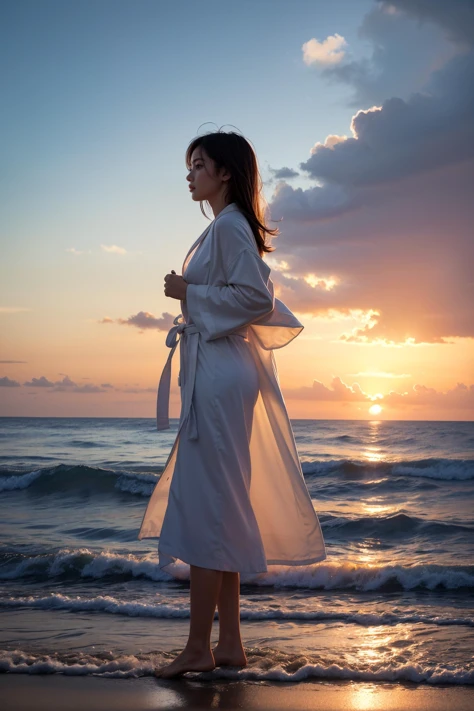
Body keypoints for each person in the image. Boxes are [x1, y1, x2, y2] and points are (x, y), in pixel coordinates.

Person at [138, 130, 326, 678]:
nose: (190, 174)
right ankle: (229, 646)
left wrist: (187, 293)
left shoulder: (230, 227)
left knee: (206, 506)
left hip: (220, 375)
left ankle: (199, 647)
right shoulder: (224, 228)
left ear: (224, 172)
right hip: (217, 371)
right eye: (189, 166)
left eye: (198, 164)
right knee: (221, 503)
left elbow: (254, 298)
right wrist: (192, 298)